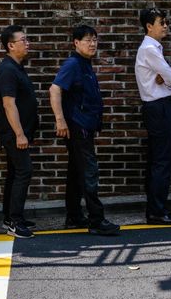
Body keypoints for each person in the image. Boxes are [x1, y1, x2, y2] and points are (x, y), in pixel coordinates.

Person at [49, 25, 120, 236]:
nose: (92, 44)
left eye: (95, 40)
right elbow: (55, 89)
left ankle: (74, 216)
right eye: (88, 40)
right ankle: (96, 220)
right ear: (76, 43)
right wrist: (60, 120)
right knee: (89, 171)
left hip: (84, 126)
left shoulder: (84, 64)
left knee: (77, 171)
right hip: (77, 127)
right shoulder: (73, 64)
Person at [134, 8, 171, 225]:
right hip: (159, 107)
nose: (165, 26)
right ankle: (156, 211)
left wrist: (170, 76)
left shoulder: (152, 49)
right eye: (161, 22)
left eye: (165, 21)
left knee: (157, 160)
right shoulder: (150, 49)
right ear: (149, 26)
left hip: (156, 107)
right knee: (161, 161)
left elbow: (170, 75)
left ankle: (157, 207)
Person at [0, 25, 39, 239]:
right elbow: (8, 105)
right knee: (24, 171)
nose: (27, 43)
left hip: (18, 132)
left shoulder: (16, 67)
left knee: (15, 173)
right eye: (23, 40)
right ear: (10, 45)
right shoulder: (7, 70)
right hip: (13, 133)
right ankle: (15, 221)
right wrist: (20, 134)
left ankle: (9, 217)